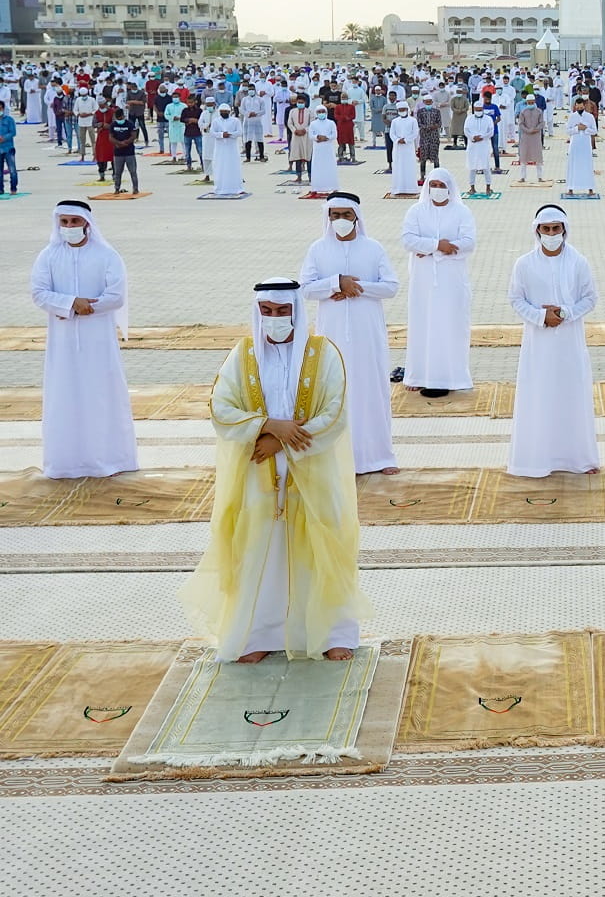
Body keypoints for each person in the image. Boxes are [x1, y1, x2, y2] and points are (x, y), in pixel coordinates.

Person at [180, 278, 366, 663]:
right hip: (259, 472)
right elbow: (220, 407)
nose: (275, 319)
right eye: (267, 312)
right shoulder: (243, 355)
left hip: (311, 469)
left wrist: (280, 438)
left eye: (283, 311)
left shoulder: (323, 352)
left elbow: (335, 413)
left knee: (321, 547)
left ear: (297, 310)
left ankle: (332, 633)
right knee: (259, 550)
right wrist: (266, 424)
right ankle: (256, 636)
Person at [31, 201, 136, 479]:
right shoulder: (48, 256)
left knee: (101, 396)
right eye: (64, 222)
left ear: (86, 223)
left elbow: (116, 296)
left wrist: (83, 308)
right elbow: (39, 293)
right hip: (62, 342)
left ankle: (108, 460)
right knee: (62, 397)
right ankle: (64, 463)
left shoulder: (106, 255)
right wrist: (69, 303)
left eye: (74, 222)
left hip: (98, 339)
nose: (69, 228)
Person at [299, 194, 400, 475]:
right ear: (327, 218)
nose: (340, 221)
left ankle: (379, 456)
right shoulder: (318, 250)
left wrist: (357, 287)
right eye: (334, 215)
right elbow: (306, 289)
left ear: (356, 216)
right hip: (331, 334)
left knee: (371, 390)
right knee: (334, 390)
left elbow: (391, 286)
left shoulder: (373, 248)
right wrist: (335, 284)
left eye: (345, 215)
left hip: (367, 333)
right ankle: (335, 457)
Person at [506, 205, 601, 477]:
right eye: (546, 229)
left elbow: (590, 298)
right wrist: (540, 316)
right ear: (537, 230)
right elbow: (515, 298)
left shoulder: (578, 261)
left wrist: (565, 313)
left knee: (571, 395)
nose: (551, 234)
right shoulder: (524, 263)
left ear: (564, 230)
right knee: (539, 396)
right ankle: (534, 459)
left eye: (555, 229)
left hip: (569, 342)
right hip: (538, 344)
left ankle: (577, 459)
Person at [399, 169, 477, 400]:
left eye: (442, 185)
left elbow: (468, 243)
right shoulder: (416, 211)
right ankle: (419, 376)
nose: (438, 189)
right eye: (433, 184)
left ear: (450, 188)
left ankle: (453, 377)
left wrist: (432, 251)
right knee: (422, 325)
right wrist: (438, 245)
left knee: (450, 326)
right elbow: (408, 240)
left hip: (451, 281)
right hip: (422, 283)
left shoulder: (462, 212)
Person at [208, 99, 246, 197]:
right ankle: (219, 188)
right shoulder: (216, 121)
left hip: (232, 148)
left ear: (229, 112)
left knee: (233, 167)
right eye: (222, 112)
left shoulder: (235, 120)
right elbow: (212, 133)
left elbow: (240, 132)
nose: (224, 113)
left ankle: (236, 188)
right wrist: (221, 135)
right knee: (220, 166)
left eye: (225, 111)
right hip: (220, 149)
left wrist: (229, 134)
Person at [387, 100, 420, 196]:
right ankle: (398, 188)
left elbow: (415, 133)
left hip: (408, 147)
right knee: (398, 167)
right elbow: (391, 134)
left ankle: (411, 189)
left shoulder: (413, 120)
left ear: (407, 109)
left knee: (409, 167)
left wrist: (406, 140)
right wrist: (398, 140)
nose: (402, 111)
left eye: (403, 109)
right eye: (400, 110)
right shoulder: (394, 121)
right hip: (398, 148)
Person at [565, 99, 597, 195]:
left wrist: (585, 129)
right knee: (572, 164)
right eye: (577, 107)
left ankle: (590, 188)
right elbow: (567, 131)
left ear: (584, 106)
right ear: (575, 106)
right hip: (575, 144)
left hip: (586, 144)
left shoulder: (590, 117)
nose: (579, 108)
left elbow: (594, 131)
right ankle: (571, 188)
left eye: (581, 107)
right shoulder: (572, 116)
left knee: (587, 165)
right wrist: (577, 128)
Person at [464, 104, 496, 195]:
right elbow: (466, 130)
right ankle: (472, 188)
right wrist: (473, 137)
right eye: (477, 109)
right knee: (472, 167)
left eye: (480, 109)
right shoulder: (469, 119)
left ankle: (488, 188)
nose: (478, 111)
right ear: (474, 109)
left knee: (486, 167)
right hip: (472, 145)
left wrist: (482, 137)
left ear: (483, 109)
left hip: (484, 145)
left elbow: (491, 131)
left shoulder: (488, 119)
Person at [516, 95, 546, 183]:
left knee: (538, 157)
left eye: (532, 102)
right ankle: (522, 177)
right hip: (525, 137)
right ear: (527, 102)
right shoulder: (523, 112)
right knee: (524, 157)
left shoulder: (539, 111)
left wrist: (535, 129)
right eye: (529, 103)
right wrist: (528, 130)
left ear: (534, 102)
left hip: (536, 137)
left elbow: (542, 123)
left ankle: (540, 177)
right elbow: (521, 124)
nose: (531, 104)